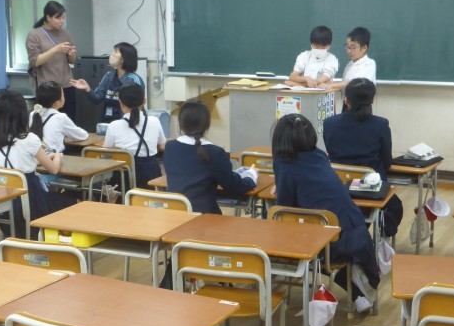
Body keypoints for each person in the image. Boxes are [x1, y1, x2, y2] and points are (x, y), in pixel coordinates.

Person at [272, 114, 379, 313]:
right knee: (321, 242)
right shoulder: (320, 156)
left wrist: (281, 188)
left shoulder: (284, 163)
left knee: (291, 238)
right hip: (356, 231)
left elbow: (284, 209)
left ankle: (270, 280)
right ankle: (357, 291)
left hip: (330, 241)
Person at [0, 90, 76, 238]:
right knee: (73, 201)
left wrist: (38, 160)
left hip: (2, 203)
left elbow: (15, 164)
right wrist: (57, 156)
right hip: (31, 202)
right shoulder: (29, 139)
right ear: (21, 113)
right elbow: (53, 169)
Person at [323, 78, 403, 237]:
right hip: (371, 189)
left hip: (338, 186)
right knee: (395, 207)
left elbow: (331, 152)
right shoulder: (380, 125)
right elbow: (387, 162)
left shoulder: (329, 123)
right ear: (372, 100)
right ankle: (381, 240)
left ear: (346, 99)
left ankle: (356, 234)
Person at [163, 101, 258, 214]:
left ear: (179, 124)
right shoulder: (215, 152)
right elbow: (235, 188)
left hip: (174, 214)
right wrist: (251, 175)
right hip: (204, 217)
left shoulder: (170, 147)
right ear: (207, 125)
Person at [103, 84, 166, 189]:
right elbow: (162, 146)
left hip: (124, 178)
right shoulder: (155, 121)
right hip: (150, 176)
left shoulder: (113, 126)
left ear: (121, 104)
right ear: (144, 101)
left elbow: (107, 152)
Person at [70, 42, 146, 123]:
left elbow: (138, 106)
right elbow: (97, 99)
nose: (111, 54)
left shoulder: (134, 79)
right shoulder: (109, 76)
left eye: (116, 51)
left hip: (127, 122)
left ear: (123, 59)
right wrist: (87, 88)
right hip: (108, 121)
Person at [26, 1, 77, 120]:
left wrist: (71, 54)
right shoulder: (34, 35)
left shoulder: (65, 34)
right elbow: (35, 61)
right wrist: (56, 49)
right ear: (48, 17)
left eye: (63, 18)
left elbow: (72, 61)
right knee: (45, 120)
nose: (62, 21)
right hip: (46, 88)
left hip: (66, 86)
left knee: (68, 120)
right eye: (58, 18)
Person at [29, 81, 88, 153]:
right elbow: (82, 135)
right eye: (63, 95)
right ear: (57, 103)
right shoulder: (61, 117)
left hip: (34, 156)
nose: (64, 97)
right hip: (52, 157)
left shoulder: (33, 114)